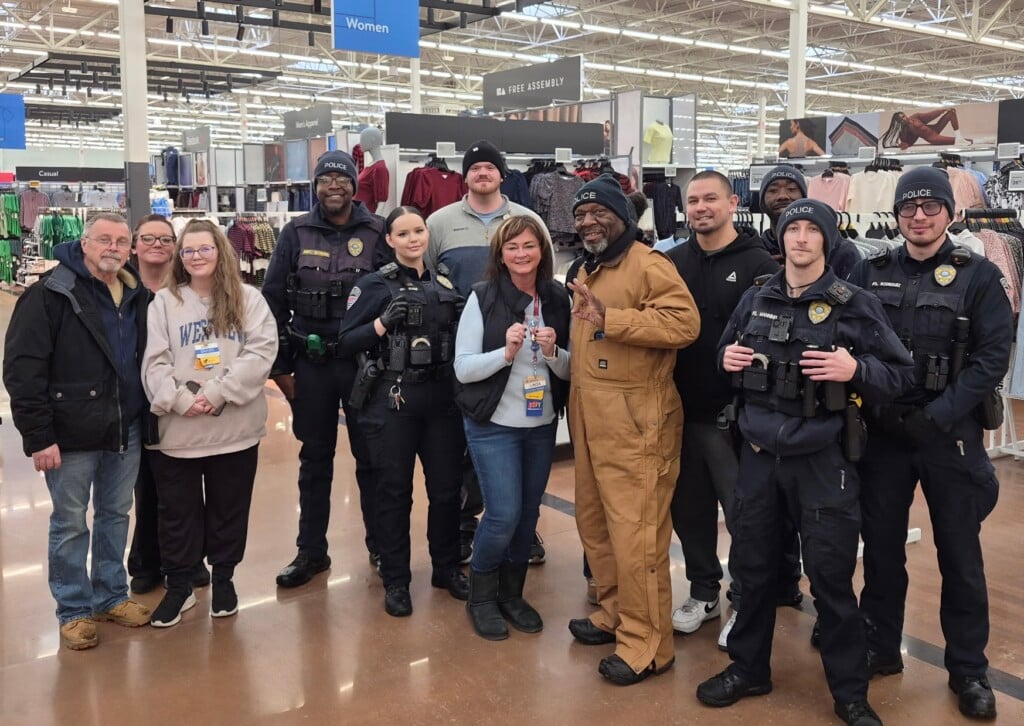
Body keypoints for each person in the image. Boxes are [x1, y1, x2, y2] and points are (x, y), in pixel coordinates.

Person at [696, 199, 913, 726]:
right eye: (791, 229)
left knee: (831, 578)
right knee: (752, 570)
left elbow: (899, 376)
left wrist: (853, 366)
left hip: (822, 460)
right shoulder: (756, 297)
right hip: (758, 458)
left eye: (809, 230)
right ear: (781, 238)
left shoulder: (853, 303)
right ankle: (749, 669)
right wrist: (726, 361)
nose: (799, 239)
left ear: (826, 240)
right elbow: (726, 359)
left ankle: (849, 693)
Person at [848, 167, 1011, 721]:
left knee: (960, 557)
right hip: (884, 434)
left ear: (949, 212)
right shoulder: (870, 270)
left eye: (930, 205)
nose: (919, 215)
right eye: (909, 207)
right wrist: (879, 407)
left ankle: (968, 669)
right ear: (896, 216)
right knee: (883, 551)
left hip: (951, 436)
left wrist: (937, 417)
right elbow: (853, 342)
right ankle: (879, 646)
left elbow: (992, 361)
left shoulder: (981, 276)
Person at [565, 175, 700, 686]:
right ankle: (615, 614)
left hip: (637, 426)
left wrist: (613, 319)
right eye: (579, 215)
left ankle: (648, 646)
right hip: (590, 418)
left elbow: (684, 325)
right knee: (596, 527)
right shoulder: (586, 268)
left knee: (636, 537)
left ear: (623, 216)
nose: (587, 222)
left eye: (597, 212)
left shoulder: (648, 264)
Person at [3, 212, 152, 650]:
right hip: (69, 434)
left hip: (124, 427)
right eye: (104, 239)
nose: (113, 248)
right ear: (84, 243)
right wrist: (38, 436)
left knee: (115, 516)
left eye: (121, 241)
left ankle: (110, 595)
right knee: (69, 523)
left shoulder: (135, 293)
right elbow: (22, 370)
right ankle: (73, 610)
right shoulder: (49, 294)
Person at [263, 150, 390, 589]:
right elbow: (271, 303)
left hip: (364, 367)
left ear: (355, 186)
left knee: (372, 460)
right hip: (311, 365)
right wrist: (281, 370)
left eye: (342, 179)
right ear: (315, 186)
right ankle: (311, 552)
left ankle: (381, 545)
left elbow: (395, 297)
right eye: (325, 179)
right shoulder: (295, 233)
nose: (334, 186)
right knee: (314, 460)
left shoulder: (378, 232)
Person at [141, 220, 278, 627]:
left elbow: (260, 352)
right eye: (188, 251)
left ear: (221, 251)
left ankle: (224, 579)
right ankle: (180, 586)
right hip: (178, 433)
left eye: (205, 249)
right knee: (177, 514)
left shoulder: (248, 298)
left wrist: (217, 392)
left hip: (235, 431)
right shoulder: (165, 302)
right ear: (179, 258)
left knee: (229, 509)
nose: (196, 256)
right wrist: (180, 399)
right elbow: (153, 360)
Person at [665, 171, 778, 647]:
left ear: (733, 202)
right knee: (689, 512)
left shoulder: (759, 262)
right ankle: (704, 591)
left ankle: (747, 603)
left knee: (744, 517)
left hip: (735, 419)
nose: (701, 207)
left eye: (710, 198)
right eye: (693, 201)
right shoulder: (668, 262)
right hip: (680, 411)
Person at [338, 206, 467, 617]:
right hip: (393, 400)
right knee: (393, 492)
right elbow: (346, 341)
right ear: (390, 240)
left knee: (447, 490)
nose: (413, 239)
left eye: (419, 231)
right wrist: (380, 324)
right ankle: (396, 579)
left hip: (442, 401)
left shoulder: (445, 282)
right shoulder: (374, 285)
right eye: (403, 233)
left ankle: (445, 567)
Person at [426, 140, 550, 566]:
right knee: (467, 443)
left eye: (490, 167)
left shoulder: (527, 219)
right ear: (465, 176)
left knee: (519, 440)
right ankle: (465, 527)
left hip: (521, 348)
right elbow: (426, 278)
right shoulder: (440, 222)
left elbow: (542, 271)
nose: (483, 173)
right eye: (475, 167)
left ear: (502, 175)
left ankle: (520, 529)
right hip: (459, 347)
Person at [453, 215, 572, 640]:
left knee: (526, 515)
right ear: (500, 255)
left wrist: (554, 351)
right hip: (494, 424)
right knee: (502, 514)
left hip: (540, 425)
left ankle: (512, 593)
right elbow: (463, 369)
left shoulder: (557, 297)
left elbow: (570, 368)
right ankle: (481, 597)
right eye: (512, 247)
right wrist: (504, 354)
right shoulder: (482, 297)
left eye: (529, 245)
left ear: (542, 250)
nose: (521, 255)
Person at [126, 214, 211, 595]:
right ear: (135, 245)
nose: (157, 245)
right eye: (148, 238)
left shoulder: (188, 290)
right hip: (136, 401)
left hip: (184, 401)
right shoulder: (121, 290)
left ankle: (190, 559)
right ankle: (145, 562)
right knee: (147, 489)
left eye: (165, 239)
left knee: (185, 490)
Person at [759, 165, 861, 279]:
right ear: (762, 202)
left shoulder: (841, 251)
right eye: (773, 190)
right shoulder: (756, 252)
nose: (783, 196)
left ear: (804, 198)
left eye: (791, 189)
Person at [880, 109, 972, 150]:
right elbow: (909, 141)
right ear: (899, 122)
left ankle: (959, 136)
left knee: (951, 113)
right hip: (934, 138)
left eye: (903, 116)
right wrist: (905, 144)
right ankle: (962, 140)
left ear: (905, 114)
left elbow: (929, 115)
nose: (904, 118)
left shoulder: (915, 117)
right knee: (968, 141)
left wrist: (942, 110)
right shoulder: (905, 131)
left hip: (935, 128)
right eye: (901, 119)